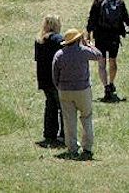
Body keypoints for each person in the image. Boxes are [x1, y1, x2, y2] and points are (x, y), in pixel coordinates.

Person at [86, 0, 129, 102]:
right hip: (114, 36)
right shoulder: (119, 2)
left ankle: (106, 87)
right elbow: (127, 19)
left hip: (100, 36)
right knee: (113, 61)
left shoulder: (98, 1)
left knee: (101, 63)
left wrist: (88, 33)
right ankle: (111, 83)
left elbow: (92, 19)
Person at [52, 28, 103, 160]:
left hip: (65, 91)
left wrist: (60, 87)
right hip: (83, 90)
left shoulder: (59, 55)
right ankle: (87, 147)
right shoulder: (83, 51)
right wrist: (89, 45)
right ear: (78, 40)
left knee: (69, 120)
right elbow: (99, 55)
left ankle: (72, 148)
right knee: (86, 117)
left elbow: (54, 76)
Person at [34, 15, 64, 146]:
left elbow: (37, 59)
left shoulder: (39, 40)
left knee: (50, 105)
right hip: (56, 78)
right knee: (63, 107)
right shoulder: (58, 39)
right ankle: (64, 134)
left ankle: (49, 133)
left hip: (44, 77)